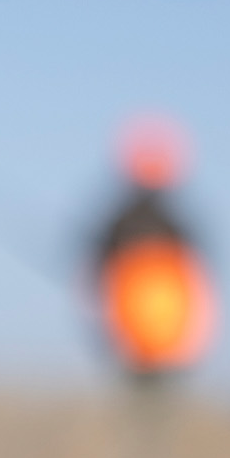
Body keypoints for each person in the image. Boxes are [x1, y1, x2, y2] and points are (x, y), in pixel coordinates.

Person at [92, 118, 215, 381]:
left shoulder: (122, 223)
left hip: (142, 336)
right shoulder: (178, 225)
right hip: (160, 336)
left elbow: (96, 276)